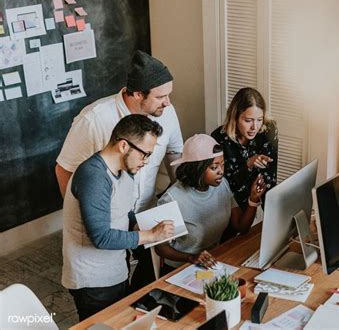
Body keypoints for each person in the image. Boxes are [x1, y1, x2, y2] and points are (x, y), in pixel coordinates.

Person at [56, 50, 183, 290]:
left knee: (144, 284)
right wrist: (90, 214)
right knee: (105, 291)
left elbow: (175, 154)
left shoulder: (167, 113)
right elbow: (64, 170)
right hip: (105, 226)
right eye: (160, 97)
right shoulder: (94, 120)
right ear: (138, 94)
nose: (168, 103)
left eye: (169, 95)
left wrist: (181, 199)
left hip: (143, 215)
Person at [62, 115, 175, 321]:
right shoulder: (94, 176)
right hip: (92, 281)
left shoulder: (126, 171)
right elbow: (101, 237)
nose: (146, 161)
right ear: (124, 145)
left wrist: (147, 225)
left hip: (116, 271)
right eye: (144, 154)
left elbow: (124, 212)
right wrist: (149, 235)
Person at [154, 134, 266, 276]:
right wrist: (191, 257)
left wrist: (253, 199)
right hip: (181, 269)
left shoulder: (221, 185)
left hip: (212, 262)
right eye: (214, 167)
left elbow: (241, 227)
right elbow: (161, 248)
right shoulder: (172, 199)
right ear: (197, 168)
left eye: (223, 165)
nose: (221, 172)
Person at [211, 87, 278, 239]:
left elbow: (269, 178)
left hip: (256, 198)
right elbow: (225, 186)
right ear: (235, 117)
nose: (255, 127)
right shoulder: (219, 139)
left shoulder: (269, 130)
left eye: (259, 119)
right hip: (230, 203)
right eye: (248, 120)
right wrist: (248, 164)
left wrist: (273, 222)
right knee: (231, 246)